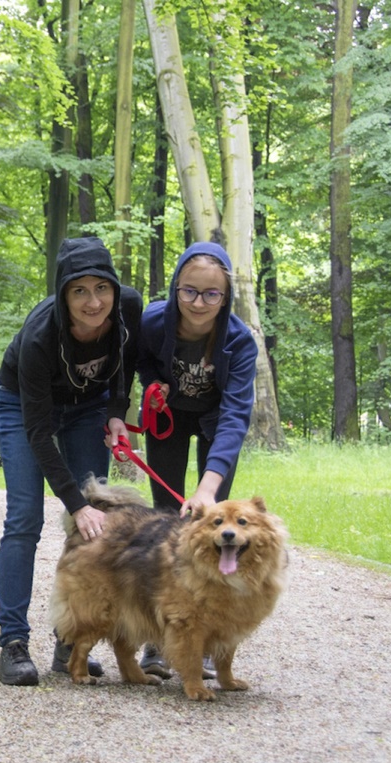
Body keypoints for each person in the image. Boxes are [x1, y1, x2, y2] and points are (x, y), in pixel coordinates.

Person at [0, 236, 142, 686]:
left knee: (93, 525)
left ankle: (70, 640)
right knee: (25, 518)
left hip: (88, 407)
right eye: (79, 291)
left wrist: (117, 413)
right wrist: (75, 501)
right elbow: (38, 433)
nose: (93, 301)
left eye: (102, 288)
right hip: (23, 405)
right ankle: (13, 644)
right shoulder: (41, 335)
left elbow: (125, 364)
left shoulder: (129, 309)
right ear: (63, 294)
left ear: (115, 289)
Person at [134, 240, 258, 679]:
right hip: (168, 419)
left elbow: (234, 417)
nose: (198, 303)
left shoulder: (240, 343)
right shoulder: (152, 321)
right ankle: (156, 639)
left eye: (211, 294)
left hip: (213, 426)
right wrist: (153, 384)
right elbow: (142, 358)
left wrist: (208, 487)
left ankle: (203, 640)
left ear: (225, 298)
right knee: (166, 524)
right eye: (189, 291)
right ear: (175, 288)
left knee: (214, 529)